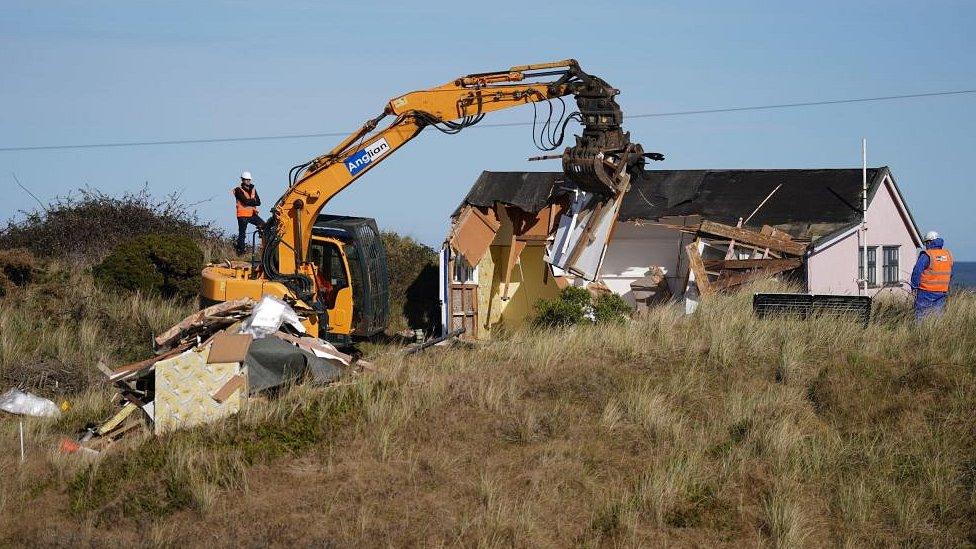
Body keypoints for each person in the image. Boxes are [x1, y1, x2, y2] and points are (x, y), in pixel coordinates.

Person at [910, 231, 954, 319]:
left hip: (926, 291)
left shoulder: (927, 255)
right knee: (937, 317)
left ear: (930, 242)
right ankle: (935, 332)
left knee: (921, 317)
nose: (926, 245)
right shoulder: (948, 255)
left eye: (926, 243)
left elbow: (917, 271)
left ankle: (920, 333)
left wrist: (914, 287)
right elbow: (950, 273)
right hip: (942, 292)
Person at [233, 171, 264, 255]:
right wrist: (252, 201)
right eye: (246, 180)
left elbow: (259, 202)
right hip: (242, 215)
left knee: (264, 226)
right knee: (242, 234)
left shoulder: (253, 189)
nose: (247, 181)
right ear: (242, 180)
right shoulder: (238, 190)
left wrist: (250, 201)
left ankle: (264, 248)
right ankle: (240, 252)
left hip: (252, 214)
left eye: (248, 180)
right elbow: (245, 201)